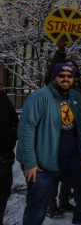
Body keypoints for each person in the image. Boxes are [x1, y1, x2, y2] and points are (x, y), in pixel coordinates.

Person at [16, 64, 81, 225]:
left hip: (70, 157)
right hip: (42, 161)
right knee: (37, 205)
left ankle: (80, 217)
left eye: (69, 76)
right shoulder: (40, 97)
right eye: (61, 75)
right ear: (54, 78)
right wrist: (30, 162)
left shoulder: (74, 95)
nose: (65, 79)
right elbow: (26, 130)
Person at [0, 88, 18, 225]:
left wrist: (9, 136)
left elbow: (14, 120)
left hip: (4, 159)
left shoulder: (2, 97)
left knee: (3, 194)